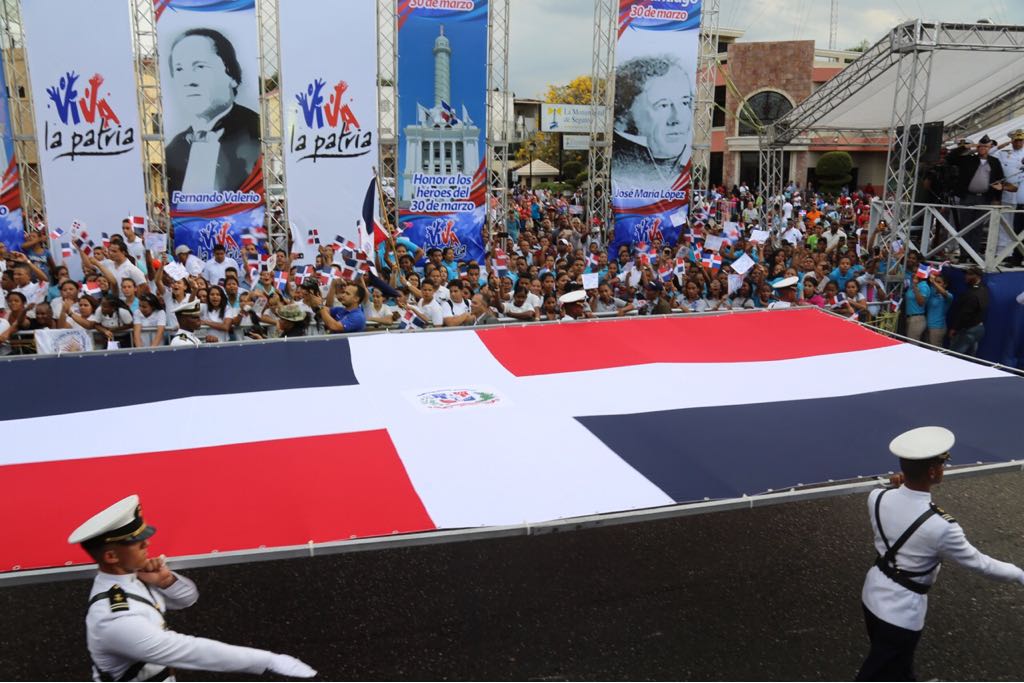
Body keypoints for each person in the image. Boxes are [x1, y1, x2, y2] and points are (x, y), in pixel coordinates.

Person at [68, 494, 316, 680]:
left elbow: (188, 598)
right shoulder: (115, 618)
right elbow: (189, 650)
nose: (147, 544)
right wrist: (267, 660)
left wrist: (164, 581)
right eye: (136, 542)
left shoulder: (131, 577)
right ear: (111, 556)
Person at [856, 427, 1024, 681]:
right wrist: (1018, 573)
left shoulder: (877, 497)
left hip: (872, 595)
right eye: (942, 464)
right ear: (933, 472)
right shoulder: (942, 527)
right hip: (901, 613)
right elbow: (981, 564)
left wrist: (897, 486)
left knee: (895, 664)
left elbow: (893, 499)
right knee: (877, 672)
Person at [165, 28, 261, 195]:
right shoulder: (173, 149)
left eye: (200, 66)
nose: (188, 81)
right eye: (179, 70)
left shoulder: (257, 133)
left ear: (231, 75)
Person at [612, 54, 693, 190]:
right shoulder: (621, 172)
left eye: (685, 103)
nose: (677, 119)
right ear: (624, 114)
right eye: (663, 105)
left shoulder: (682, 173)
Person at [947, 266, 988, 356]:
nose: (966, 276)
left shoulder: (972, 294)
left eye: (970, 274)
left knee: (953, 356)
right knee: (970, 356)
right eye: (966, 274)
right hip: (979, 327)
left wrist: (955, 328)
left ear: (978, 276)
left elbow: (964, 314)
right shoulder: (984, 289)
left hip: (967, 330)